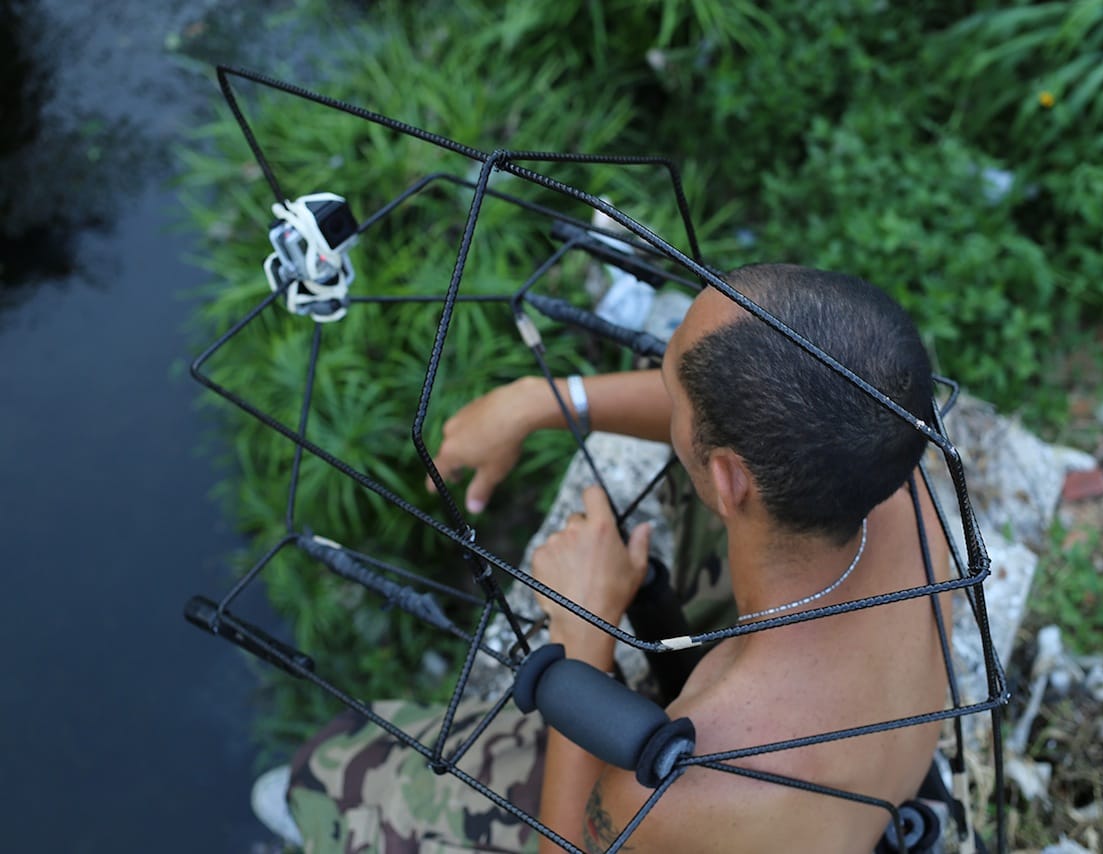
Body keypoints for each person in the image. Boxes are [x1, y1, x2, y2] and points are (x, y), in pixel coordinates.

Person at [280, 263, 952, 853]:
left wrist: (582, 638)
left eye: (671, 386)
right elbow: (737, 418)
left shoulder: (708, 774)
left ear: (727, 480)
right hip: (864, 796)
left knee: (335, 767)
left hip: (739, 822)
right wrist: (547, 400)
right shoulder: (886, 471)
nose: (663, 392)